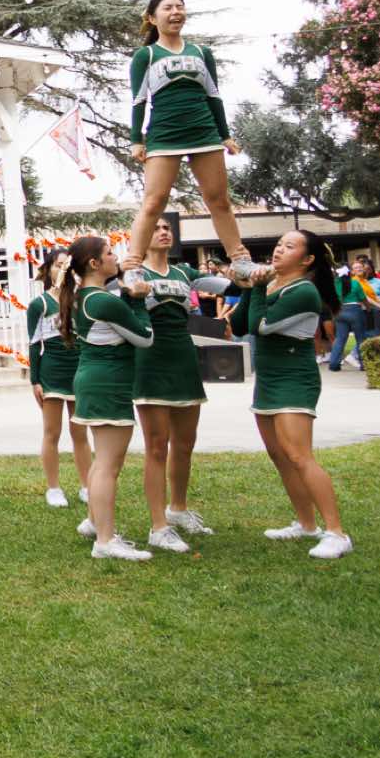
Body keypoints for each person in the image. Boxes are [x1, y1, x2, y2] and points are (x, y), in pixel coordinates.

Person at [126, 0, 261, 280]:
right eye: (167, 8)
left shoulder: (202, 52)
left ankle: (240, 260)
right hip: (164, 135)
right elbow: (138, 100)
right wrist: (136, 139)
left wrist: (225, 135)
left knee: (218, 199)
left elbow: (214, 95)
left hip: (204, 133)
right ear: (152, 18)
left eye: (180, 7)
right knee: (154, 202)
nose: (175, 12)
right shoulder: (145, 56)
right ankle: (132, 266)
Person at [236, 230, 352, 559]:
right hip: (268, 381)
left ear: (307, 259)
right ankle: (306, 524)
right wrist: (249, 287)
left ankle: (337, 533)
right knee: (281, 457)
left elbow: (261, 326)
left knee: (300, 456)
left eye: (289, 247)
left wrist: (257, 288)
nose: (278, 250)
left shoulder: (303, 292)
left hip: (293, 380)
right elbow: (241, 325)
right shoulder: (272, 284)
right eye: (278, 245)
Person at [123, 219, 230, 554]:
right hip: (150, 359)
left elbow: (228, 283)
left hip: (184, 358)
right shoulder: (133, 273)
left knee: (185, 443)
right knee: (157, 446)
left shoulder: (185, 272)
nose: (164, 231)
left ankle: (178, 509)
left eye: (167, 227)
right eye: (155, 228)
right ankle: (158, 526)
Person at [61, 235, 156, 561]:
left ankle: (94, 521)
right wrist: (138, 300)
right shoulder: (103, 301)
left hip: (94, 380)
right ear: (94, 263)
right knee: (107, 465)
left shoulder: (85, 296)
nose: (116, 257)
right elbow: (145, 338)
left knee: (102, 460)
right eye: (110, 253)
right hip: (108, 384)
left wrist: (127, 294)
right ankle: (105, 540)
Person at [27, 249, 90, 509]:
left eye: (67, 265)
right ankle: (53, 488)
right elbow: (34, 344)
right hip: (51, 372)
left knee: (80, 432)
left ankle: (87, 485)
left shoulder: (80, 300)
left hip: (78, 370)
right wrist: (35, 380)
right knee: (52, 432)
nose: (63, 269)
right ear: (48, 269)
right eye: (58, 265)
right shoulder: (39, 304)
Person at [329, 256, 380, 372]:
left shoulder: (334, 284)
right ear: (349, 272)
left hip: (339, 311)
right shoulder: (355, 283)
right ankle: (364, 364)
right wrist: (369, 308)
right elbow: (363, 299)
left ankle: (334, 364)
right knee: (360, 338)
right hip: (354, 310)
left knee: (340, 338)